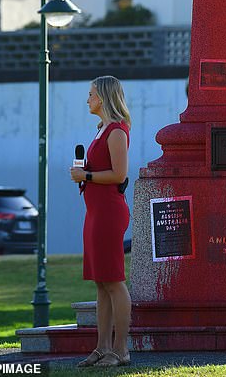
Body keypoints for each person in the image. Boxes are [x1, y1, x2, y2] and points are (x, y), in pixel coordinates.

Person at [70, 76, 131, 368]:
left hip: (108, 212)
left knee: (114, 281)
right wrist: (84, 174)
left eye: (91, 94)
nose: (88, 98)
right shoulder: (100, 130)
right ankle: (101, 347)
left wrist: (88, 176)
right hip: (94, 212)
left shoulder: (117, 132)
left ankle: (120, 351)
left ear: (104, 97)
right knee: (100, 282)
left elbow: (119, 175)